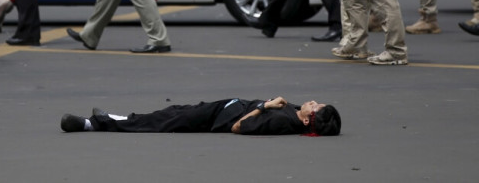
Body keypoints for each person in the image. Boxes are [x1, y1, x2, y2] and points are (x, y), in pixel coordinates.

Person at [60, 96, 340, 136]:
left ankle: (90, 124)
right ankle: (115, 118)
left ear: (307, 120)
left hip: (219, 118)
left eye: (314, 107)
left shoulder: (282, 120)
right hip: (223, 107)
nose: (312, 101)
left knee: (164, 121)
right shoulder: (292, 114)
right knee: (168, 113)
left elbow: (239, 127)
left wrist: (266, 106)